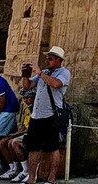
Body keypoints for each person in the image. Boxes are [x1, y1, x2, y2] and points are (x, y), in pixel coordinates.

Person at [19, 48, 70, 184]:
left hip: (51, 115)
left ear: (58, 60)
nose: (46, 61)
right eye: (46, 58)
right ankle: (31, 178)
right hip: (36, 115)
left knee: (53, 147)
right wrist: (25, 74)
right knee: (33, 148)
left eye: (50, 59)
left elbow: (55, 84)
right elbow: (27, 87)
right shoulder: (45, 73)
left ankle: (51, 178)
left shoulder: (64, 73)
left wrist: (40, 73)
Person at [0, 89, 34, 181]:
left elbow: (29, 129)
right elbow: (25, 126)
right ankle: (14, 168)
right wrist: (15, 134)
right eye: (24, 98)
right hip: (25, 133)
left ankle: (26, 170)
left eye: (28, 98)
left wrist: (15, 134)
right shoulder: (28, 109)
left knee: (13, 143)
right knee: (3, 142)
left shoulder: (35, 109)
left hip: (32, 134)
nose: (26, 100)